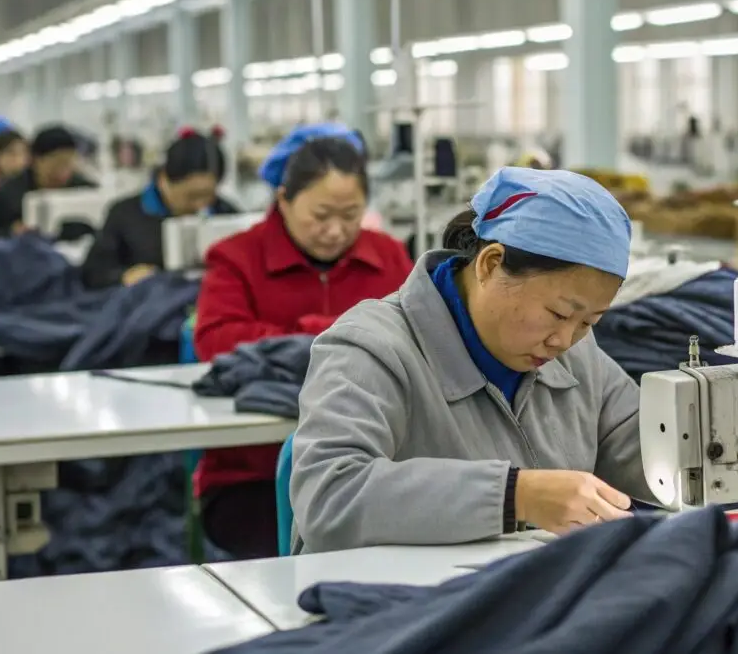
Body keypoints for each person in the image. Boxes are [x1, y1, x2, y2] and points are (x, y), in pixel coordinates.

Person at [289, 166, 657, 554]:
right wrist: (515, 495)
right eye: (559, 314)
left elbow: (649, 451)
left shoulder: (577, 357)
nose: (564, 340)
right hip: (391, 603)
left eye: (589, 322)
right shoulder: (373, 347)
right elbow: (329, 497)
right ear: (490, 264)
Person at [193, 121, 413, 559]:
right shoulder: (238, 257)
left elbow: (421, 334)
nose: (335, 230)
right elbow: (217, 339)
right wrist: (330, 332)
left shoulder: (388, 256)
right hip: (250, 475)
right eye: (321, 216)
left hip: (369, 470)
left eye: (350, 216)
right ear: (284, 201)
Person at [81, 132, 237, 289]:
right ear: (163, 180)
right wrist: (124, 276)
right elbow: (93, 273)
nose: (200, 204)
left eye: (208, 195)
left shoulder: (225, 213)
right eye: (192, 196)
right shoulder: (124, 215)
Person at [0, 125, 97, 252]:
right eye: (57, 164)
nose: (63, 171)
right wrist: (9, 234)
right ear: (35, 161)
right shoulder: (9, 193)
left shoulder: (83, 188)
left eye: (69, 163)